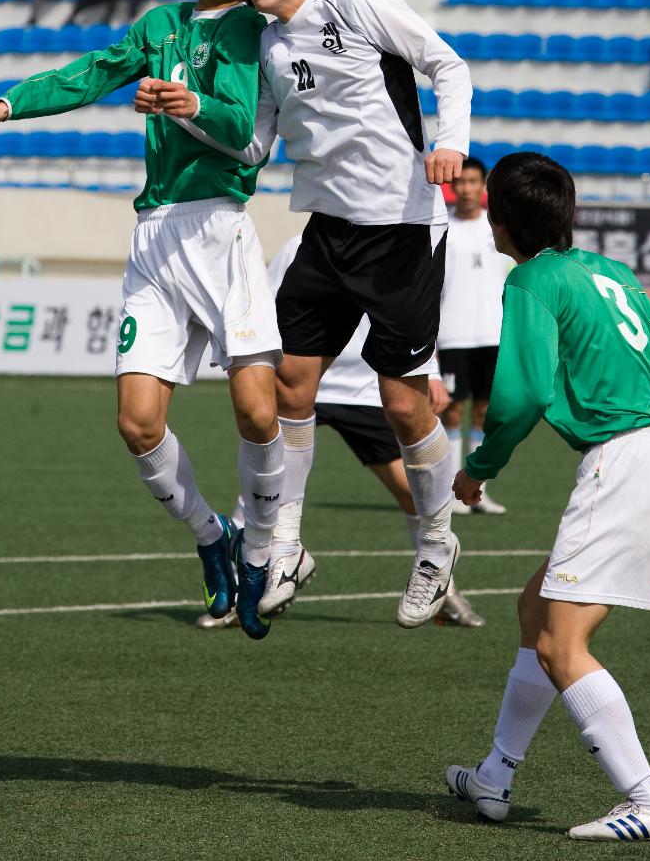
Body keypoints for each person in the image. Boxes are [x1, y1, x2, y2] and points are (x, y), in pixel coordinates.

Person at [0, 0, 286, 641]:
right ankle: (213, 538)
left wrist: (187, 101)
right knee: (137, 425)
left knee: (260, 413)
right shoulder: (158, 26)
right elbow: (91, 73)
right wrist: (9, 105)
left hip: (220, 229)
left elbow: (246, 134)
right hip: (154, 237)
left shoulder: (254, 34)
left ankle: (266, 547)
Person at [158, 0, 473, 627]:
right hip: (327, 233)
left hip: (401, 231)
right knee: (291, 385)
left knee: (401, 404)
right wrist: (192, 109)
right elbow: (252, 148)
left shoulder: (358, 3)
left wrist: (450, 143)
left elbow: (447, 65)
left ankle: (434, 542)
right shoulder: (269, 44)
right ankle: (289, 547)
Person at [447, 151, 650, 843]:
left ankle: (649, 802)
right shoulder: (611, 271)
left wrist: (480, 466)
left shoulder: (531, 279)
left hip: (624, 461)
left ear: (502, 217)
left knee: (561, 644)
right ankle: (495, 775)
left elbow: (523, 393)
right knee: (536, 610)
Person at [198, 234, 484, 632]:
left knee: (411, 494)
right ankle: (244, 588)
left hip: (364, 390)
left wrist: (430, 373)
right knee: (262, 490)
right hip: (307, 384)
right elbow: (267, 307)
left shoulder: (395, 238)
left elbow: (415, 315)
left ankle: (445, 589)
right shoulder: (305, 246)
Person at [436, 157, 511, 517]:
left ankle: (477, 493)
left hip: (493, 335)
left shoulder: (497, 229)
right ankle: (451, 493)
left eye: (473, 182)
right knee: (451, 413)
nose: (466, 188)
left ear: (483, 187)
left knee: (484, 414)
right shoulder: (441, 228)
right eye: (460, 182)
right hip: (452, 335)